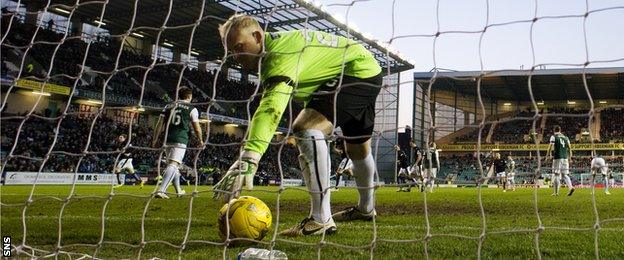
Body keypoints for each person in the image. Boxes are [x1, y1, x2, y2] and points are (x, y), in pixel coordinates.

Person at [213, 14, 382, 237]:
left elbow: (271, 109)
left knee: (305, 128)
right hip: (365, 68)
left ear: (257, 36)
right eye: (232, 51)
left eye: (239, 47)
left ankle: (321, 219)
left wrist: (249, 157)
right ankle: (366, 209)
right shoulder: (279, 47)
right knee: (357, 147)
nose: (236, 55)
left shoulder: (278, 56)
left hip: (353, 72)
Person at [152, 87, 204, 199]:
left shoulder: (168, 106)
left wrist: (155, 139)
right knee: (173, 164)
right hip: (180, 138)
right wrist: (200, 140)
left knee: (174, 165)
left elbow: (160, 123)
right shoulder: (192, 108)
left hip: (167, 139)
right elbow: (197, 127)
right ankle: (161, 190)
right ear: (189, 96)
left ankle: (179, 191)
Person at [546, 125, 574, 196]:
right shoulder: (566, 137)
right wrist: (570, 158)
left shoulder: (553, 137)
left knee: (556, 174)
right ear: (560, 130)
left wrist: (548, 155)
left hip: (558, 157)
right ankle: (570, 187)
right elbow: (570, 148)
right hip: (565, 158)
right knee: (565, 175)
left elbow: (550, 147)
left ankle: (556, 193)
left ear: (554, 130)